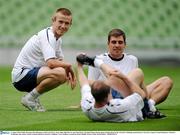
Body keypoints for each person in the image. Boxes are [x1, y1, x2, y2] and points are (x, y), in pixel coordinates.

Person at [88, 28, 173, 112]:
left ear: (125, 44)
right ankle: (145, 105)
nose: (117, 45)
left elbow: (138, 83)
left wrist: (145, 95)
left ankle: (150, 104)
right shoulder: (98, 60)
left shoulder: (132, 59)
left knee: (167, 81)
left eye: (120, 42)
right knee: (136, 73)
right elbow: (90, 84)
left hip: (132, 93)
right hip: (111, 96)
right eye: (113, 42)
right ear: (108, 44)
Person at [11, 8, 76, 112]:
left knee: (62, 73)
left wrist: (66, 68)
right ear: (53, 20)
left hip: (31, 74)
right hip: (21, 76)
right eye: (60, 21)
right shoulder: (47, 35)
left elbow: (59, 61)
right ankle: (30, 98)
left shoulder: (58, 39)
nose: (63, 26)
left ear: (70, 25)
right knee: (61, 73)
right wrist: (68, 66)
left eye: (67, 23)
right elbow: (51, 63)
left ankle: (32, 98)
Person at [76, 53, 157, 122]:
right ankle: (98, 62)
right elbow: (142, 95)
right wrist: (124, 78)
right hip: (140, 109)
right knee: (137, 73)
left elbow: (84, 83)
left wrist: (79, 65)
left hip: (111, 103)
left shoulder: (87, 105)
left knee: (109, 80)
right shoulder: (121, 106)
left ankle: (98, 63)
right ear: (108, 96)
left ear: (93, 96)